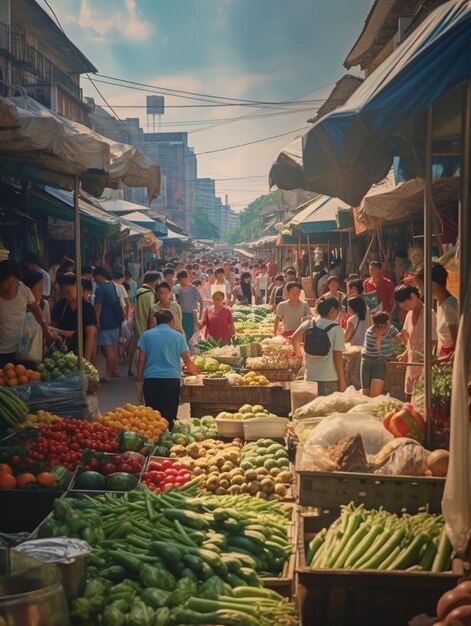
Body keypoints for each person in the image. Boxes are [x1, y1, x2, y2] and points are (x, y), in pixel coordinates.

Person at [136, 310, 200, 428]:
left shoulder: (146, 335)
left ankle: (155, 442)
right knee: (169, 418)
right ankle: (168, 439)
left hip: (151, 381)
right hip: (171, 381)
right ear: (172, 322)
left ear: (157, 321)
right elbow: (187, 361)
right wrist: (198, 377)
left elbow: (140, 361)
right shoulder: (178, 337)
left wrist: (139, 383)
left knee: (152, 419)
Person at [0, 260, 52, 367]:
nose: (11, 287)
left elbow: (35, 308)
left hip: (21, 349)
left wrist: (44, 326)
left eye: (14, 283)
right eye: (7, 284)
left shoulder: (24, 290)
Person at [292, 296, 347, 396]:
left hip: (309, 377)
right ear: (332, 310)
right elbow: (338, 357)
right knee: (327, 410)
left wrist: (299, 355)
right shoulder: (336, 329)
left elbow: (294, 339)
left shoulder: (308, 323)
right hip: (329, 378)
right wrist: (342, 380)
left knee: (311, 409)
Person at [394, 284, 437, 401]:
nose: (405, 308)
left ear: (413, 296)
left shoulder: (429, 314)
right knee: (410, 399)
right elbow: (410, 342)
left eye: (406, 305)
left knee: (421, 400)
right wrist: (405, 355)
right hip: (412, 366)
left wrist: (427, 360)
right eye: (403, 307)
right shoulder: (409, 315)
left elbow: (434, 342)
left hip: (425, 365)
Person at [414, 264, 458, 358]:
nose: (419, 291)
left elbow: (459, 347)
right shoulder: (440, 303)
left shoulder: (450, 306)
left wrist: (439, 360)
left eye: (419, 286)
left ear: (432, 284)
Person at [51, 273, 97, 362]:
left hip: (80, 354)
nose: (66, 295)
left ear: (76, 285)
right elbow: (53, 326)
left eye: (68, 291)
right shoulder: (61, 305)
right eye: (63, 293)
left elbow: (90, 335)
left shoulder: (87, 307)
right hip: (60, 355)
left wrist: (86, 359)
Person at [360, 312, 403, 397]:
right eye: (378, 326)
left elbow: (400, 340)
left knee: (375, 395)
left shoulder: (390, 329)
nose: (381, 328)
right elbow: (378, 348)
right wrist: (380, 333)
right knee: (365, 394)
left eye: (383, 326)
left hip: (380, 361)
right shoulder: (370, 332)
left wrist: (391, 328)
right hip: (366, 360)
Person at [93, 267, 121, 382]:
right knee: (113, 347)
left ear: (99, 275)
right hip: (114, 320)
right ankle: (115, 370)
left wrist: (97, 321)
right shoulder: (111, 285)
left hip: (106, 321)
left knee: (108, 348)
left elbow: (98, 307)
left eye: (95, 276)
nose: (94, 279)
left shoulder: (100, 289)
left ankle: (109, 373)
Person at [172, 270, 203, 342]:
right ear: (178, 280)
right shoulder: (176, 289)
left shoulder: (193, 288)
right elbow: (174, 302)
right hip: (180, 315)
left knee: (190, 335)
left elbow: (201, 301)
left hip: (191, 315)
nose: (183, 281)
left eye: (184, 279)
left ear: (188, 278)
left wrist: (200, 316)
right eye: (181, 280)